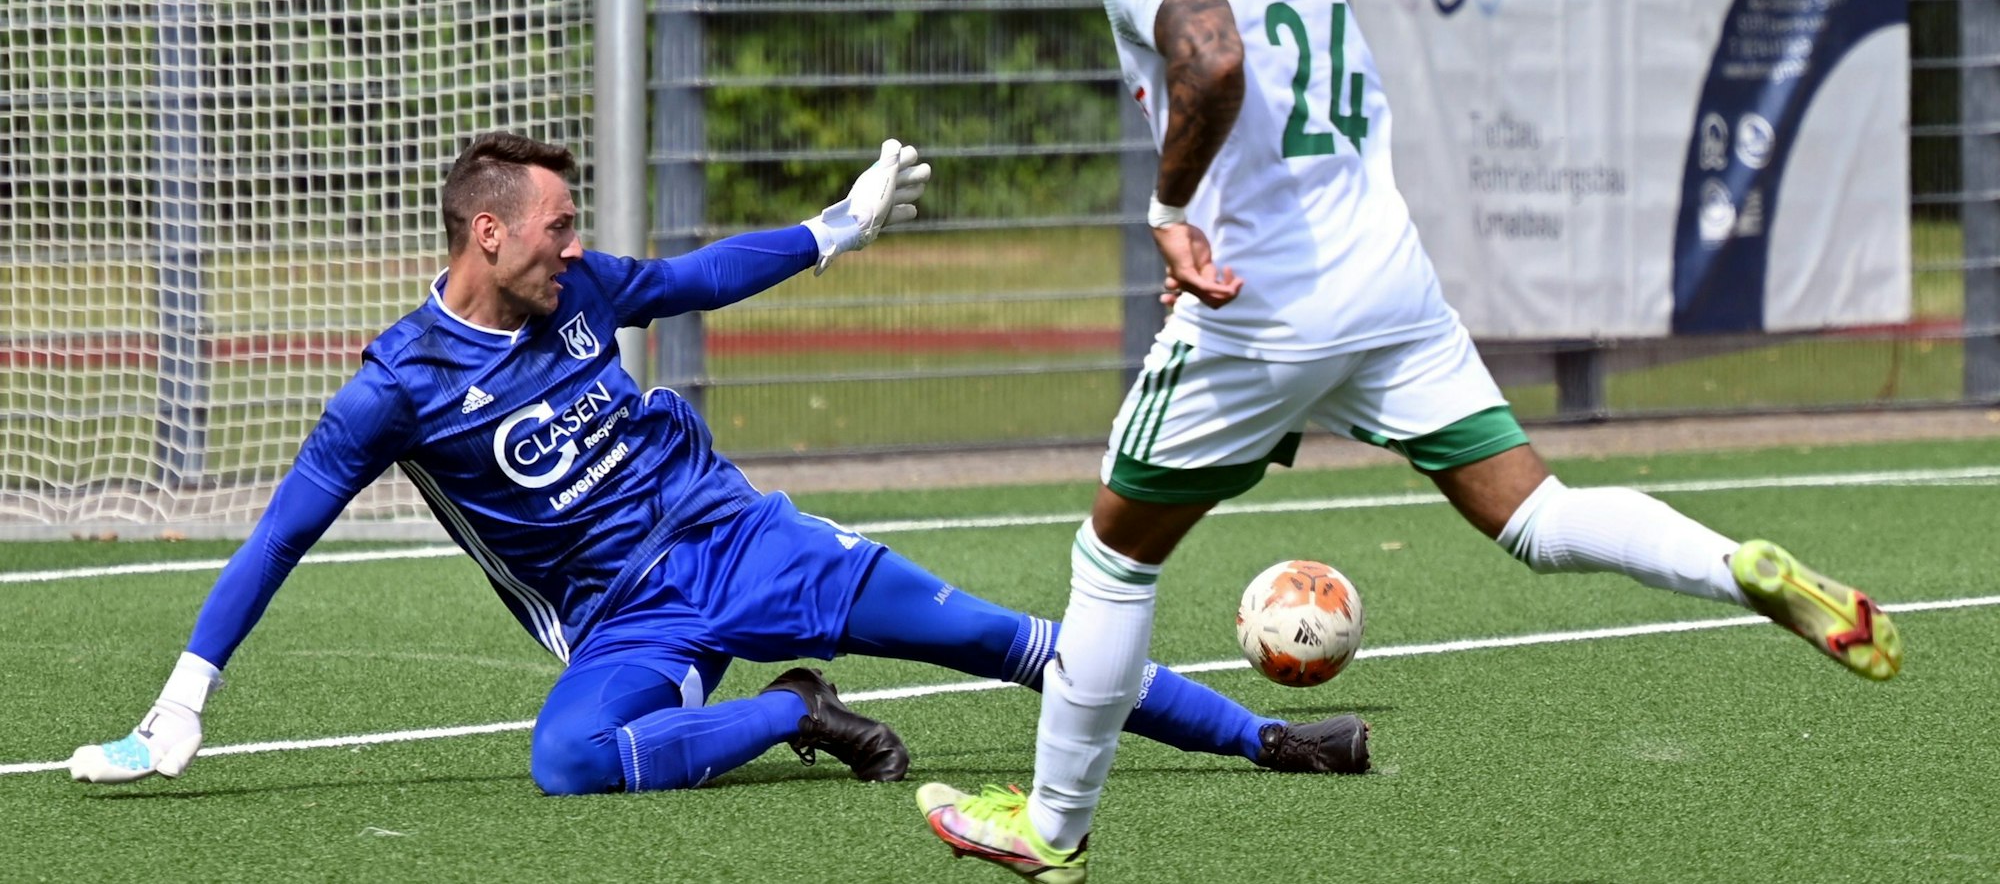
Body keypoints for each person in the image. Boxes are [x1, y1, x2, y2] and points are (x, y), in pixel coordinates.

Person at [916, 0, 1904, 880]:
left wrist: (1170, 212)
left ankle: (1049, 829)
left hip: (1261, 312)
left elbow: (1211, 58)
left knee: (1112, 560)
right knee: (1535, 514)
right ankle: (1738, 568)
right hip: (1386, 285)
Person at [69, 131, 1370, 796]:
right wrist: (183, 696)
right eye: (554, 227)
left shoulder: (581, 293)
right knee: (568, 764)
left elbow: (699, 276)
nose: (576, 247)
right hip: (626, 618)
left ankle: (1271, 739)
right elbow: (279, 535)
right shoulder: (391, 391)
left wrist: (842, 224)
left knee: (1005, 640)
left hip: (746, 542)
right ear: (484, 234)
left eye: (575, 228)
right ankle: (791, 712)